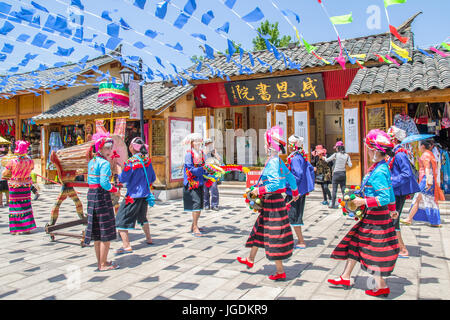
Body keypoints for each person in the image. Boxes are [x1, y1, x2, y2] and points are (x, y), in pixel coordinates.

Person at [327, 129, 399, 297]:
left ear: (375, 150)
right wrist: (393, 210)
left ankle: (381, 286)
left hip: (376, 219)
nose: (367, 151)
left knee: (374, 250)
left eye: (369, 148)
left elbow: (385, 196)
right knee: (354, 243)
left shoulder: (380, 171)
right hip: (373, 216)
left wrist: (363, 202)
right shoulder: (380, 168)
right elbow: (390, 193)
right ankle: (345, 276)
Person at [237, 126, 300, 281]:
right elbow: (290, 178)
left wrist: (258, 191)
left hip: (273, 203)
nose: (264, 147)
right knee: (259, 229)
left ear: (270, 145)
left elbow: (275, 185)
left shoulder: (273, 162)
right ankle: (251, 259)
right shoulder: (277, 160)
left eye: (265, 144)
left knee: (274, 236)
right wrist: (295, 192)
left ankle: (280, 271)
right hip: (274, 202)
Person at [84, 132, 120, 271]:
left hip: (91, 195)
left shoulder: (92, 162)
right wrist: (114, 189)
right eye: (107, 148)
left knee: (97, 231)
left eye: (110, 148)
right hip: (101, 196)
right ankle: (103, 264)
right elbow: (104, 183)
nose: (110, 150)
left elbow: (90, 181)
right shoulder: (104, 163)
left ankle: (101, 262)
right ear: (100, 148)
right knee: (105, 231)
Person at [115, 137, 156, 254]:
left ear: (131, 147)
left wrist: (118, 168)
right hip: (145, 195)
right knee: (142, 217)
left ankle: (126, 245)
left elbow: (123, 178)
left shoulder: (131, 161)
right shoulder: (147, 160)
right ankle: (149, 238)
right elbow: (152, 177)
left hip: (133, 195)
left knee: (121, 219)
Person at [387, 126, 420, 257]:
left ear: (394, 139)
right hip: (394, 190)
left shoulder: (400, 154)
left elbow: (406, 174)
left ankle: (402, 249)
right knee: (391, 218)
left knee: (394, 218)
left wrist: (391, 180)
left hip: (398, 191)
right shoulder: (395, 153)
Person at [401, 139, 445, 227]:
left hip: (426, 179)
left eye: (420, 145)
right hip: (430, 179)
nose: (419, 147)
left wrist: (428, 180)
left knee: (418, 198)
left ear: (423, 146)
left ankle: (409, 218)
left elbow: (427, 168)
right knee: (429, 200)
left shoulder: (425, 155)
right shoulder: (430, 154)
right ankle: (435, 221)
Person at [285, 135, 315, 249]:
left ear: (294, 145)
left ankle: (301, 241)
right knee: (288, 214)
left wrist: (292, 188)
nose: (288, 146)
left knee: (294, 215)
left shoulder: (296, 158)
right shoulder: (299, 157)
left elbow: (297, 175)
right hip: (296, 191)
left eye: (290, 144)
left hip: (295, 192)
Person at [1, 141, 36, 235]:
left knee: (15, 206)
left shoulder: (12, 162)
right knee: (26, 205)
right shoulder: (30, 161)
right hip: (25, 186)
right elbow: (31, 169)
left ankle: (16, 229)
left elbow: (4, 173)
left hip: (15, 186)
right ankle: (27, 228)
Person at [183, 133, 206, 237]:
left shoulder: (201, 153)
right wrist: (203, 169)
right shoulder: (189, 154)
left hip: (200, 181)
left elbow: (204, 166)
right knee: (196, 203)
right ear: (191, 143)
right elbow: (190, 170)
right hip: (192, 182)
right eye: (195, 141)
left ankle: (194, 225)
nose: (198, 143)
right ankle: (195, 227)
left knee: (200, 203)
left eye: (199, 141)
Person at [326, 141, 352, 209]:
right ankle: (346, 205)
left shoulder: (335, 155)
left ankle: (333, 205)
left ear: (338, 148)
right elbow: (350, 165)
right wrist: (345, 162)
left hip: (336, 174)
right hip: (343, 173)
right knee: (343, 189)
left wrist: (323, 157)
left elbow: (327, 160)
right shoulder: (347, 155)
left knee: (334, 190)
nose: (335, 149)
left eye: (336, 148)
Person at [203, 138, 221, 211]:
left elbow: (220, 160)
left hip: (213, 174)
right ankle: (206, 204)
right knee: (205, 190)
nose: (209, 145)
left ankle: (214, 205)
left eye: (210, 144)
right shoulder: (202, 152)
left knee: (214, 189)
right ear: (205, 145)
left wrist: (215, 154)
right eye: (207, 144)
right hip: (204, 173)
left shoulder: (214, 152)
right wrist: (205, 152)